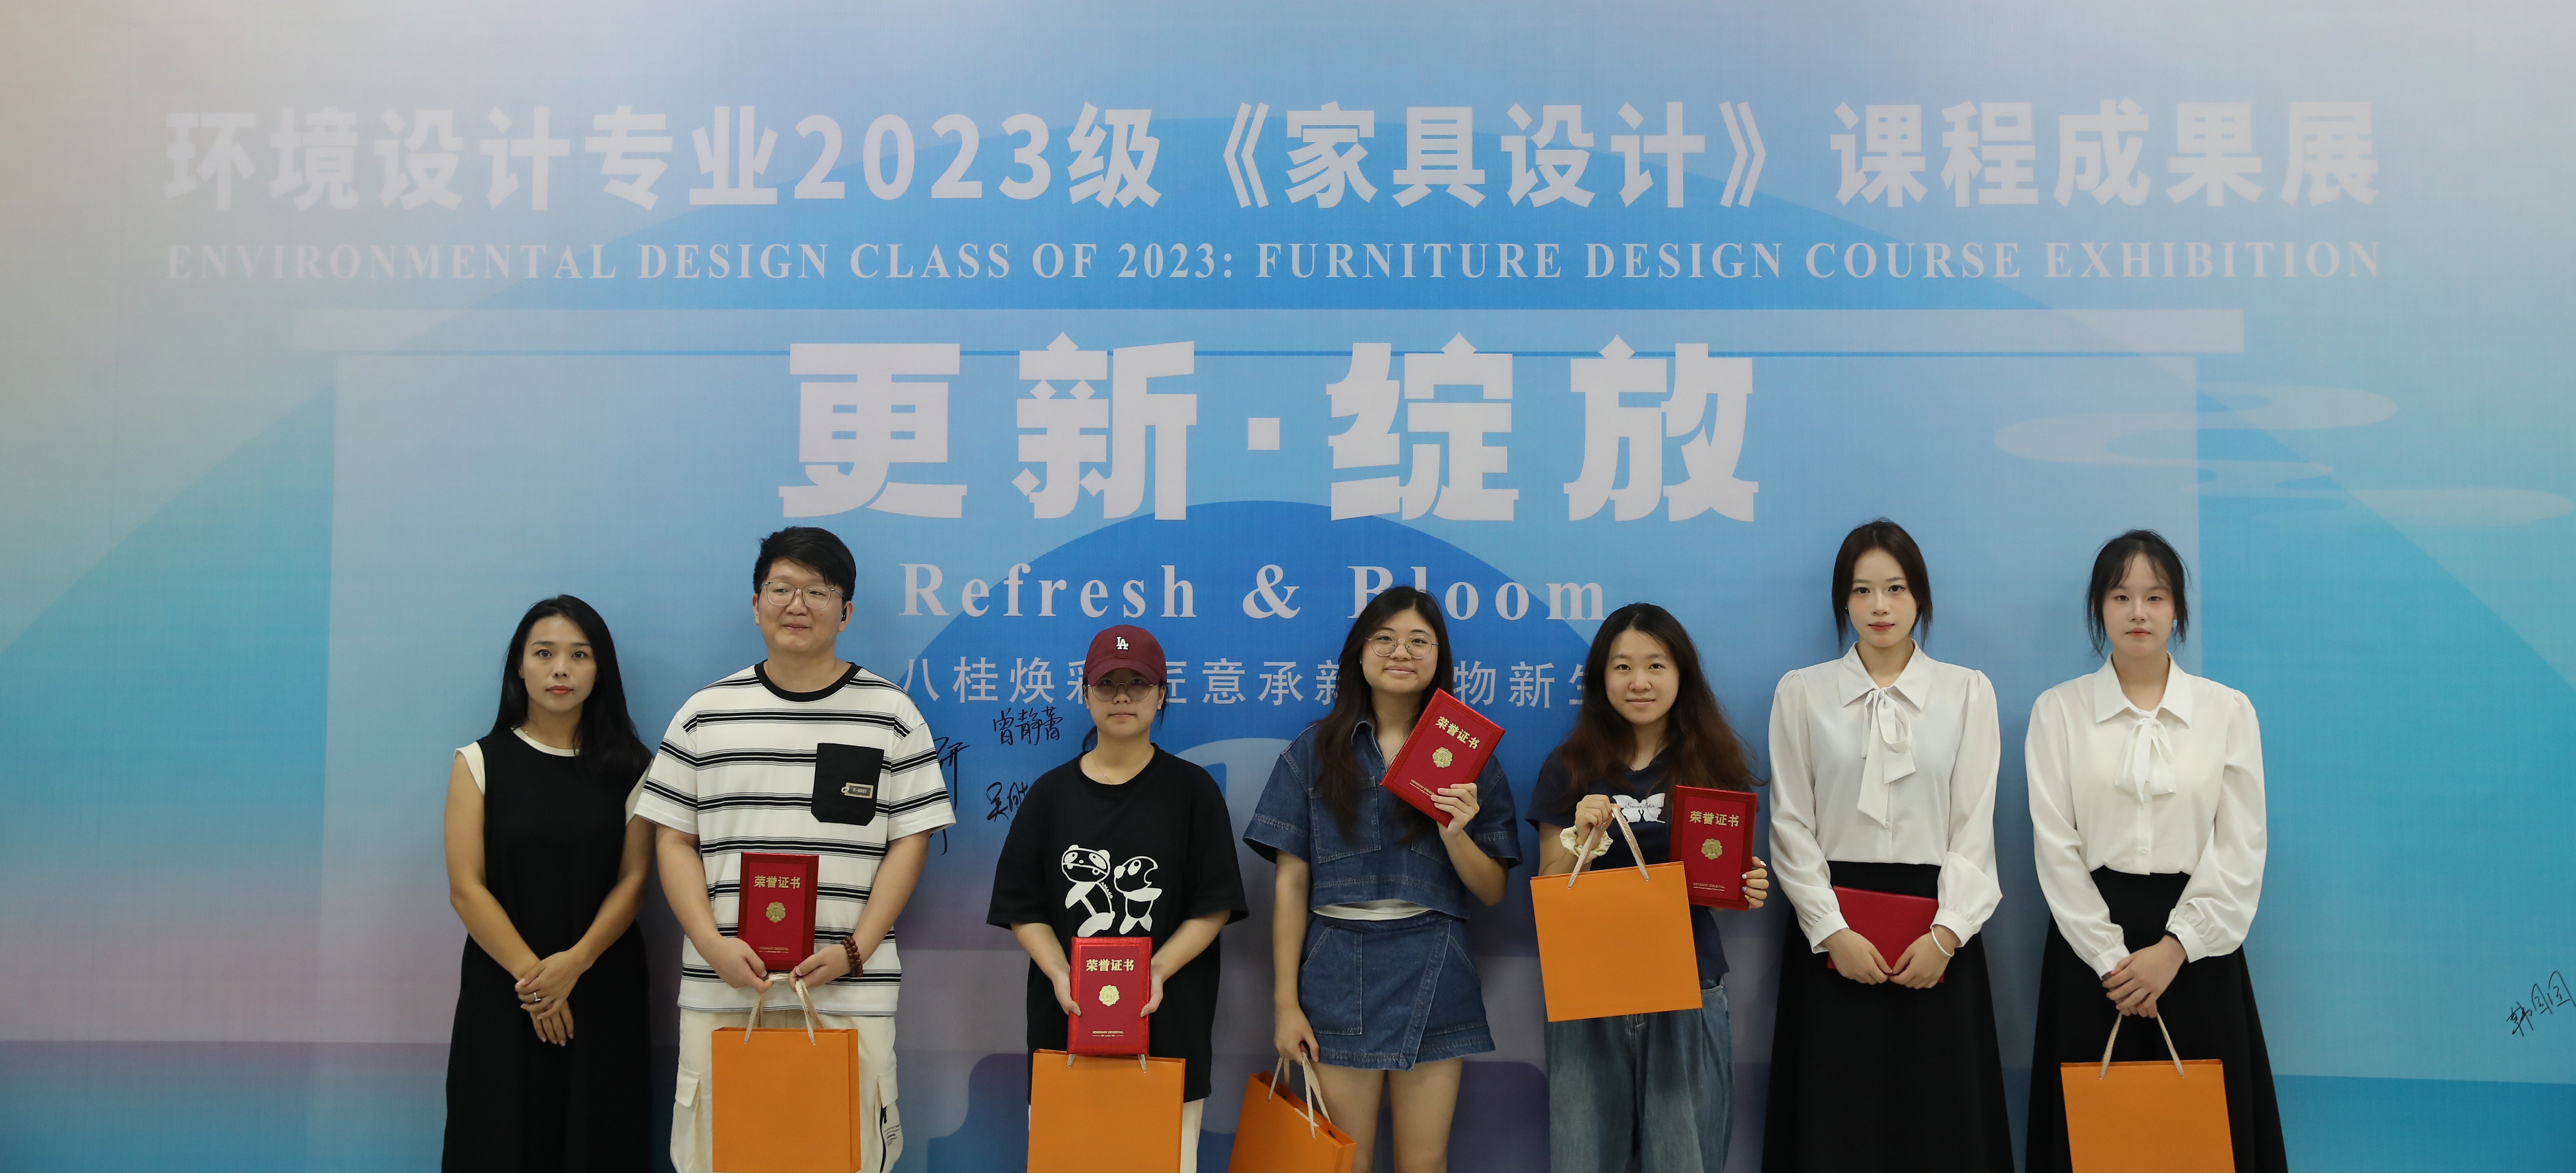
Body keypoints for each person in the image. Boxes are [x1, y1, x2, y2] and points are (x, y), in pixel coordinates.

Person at [633, 527, 958, 1173]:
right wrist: (712, 945)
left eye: (818, 591)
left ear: (847, 611)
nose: (797, 605)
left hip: (850, 992)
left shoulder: (892, 714)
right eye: (781, 589)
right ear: (756, 605)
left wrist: (855, 951)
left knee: (848, 1154)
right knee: (718, 1155)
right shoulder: (704, 714)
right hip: (724, 990)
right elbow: (673, 838)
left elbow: (910, 841)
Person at [2023, 530, 2284, 1173]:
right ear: (2099, 607)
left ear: (2177, 610)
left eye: (2155, 597)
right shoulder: (2058, 712)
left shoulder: (2227, 711)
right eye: (2121, 597)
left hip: (2198, 949)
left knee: (2202, 1142)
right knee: (2094, 1141)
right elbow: (2056, 848)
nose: (2138, 612)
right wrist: (2112, 961)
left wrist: (2175, 949)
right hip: (2091, 955)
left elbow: (2241, 846)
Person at [1762, 520, 2015, 1171]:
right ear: (1843, 601)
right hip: (1834, 934)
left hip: (1937, 933)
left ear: (1920, 596)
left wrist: (1947, 936)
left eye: (1896, 589)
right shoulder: (1802, 693)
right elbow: (1790, 825)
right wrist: (1832, 932)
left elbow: (1974, 826)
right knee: (1835, 1125)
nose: (1880, 606)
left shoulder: (1967, 692)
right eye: (1862, 590)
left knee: (1939, 1124)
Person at [1245, 585, 1521, 1173]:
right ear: (1360, 653)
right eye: (1385, 639)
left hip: (1436, 963)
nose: (1402, 652)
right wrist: (1286, 1005)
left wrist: (1454, 831)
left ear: (1439, 658)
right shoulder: (1314, 751)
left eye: (1420, 641)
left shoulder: (1469, 756)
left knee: (1425, 1163)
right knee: (1345, 1162)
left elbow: (1493, 889)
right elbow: (1291, 885)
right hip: (1335, 970)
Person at [989, 625, 1248, 1173]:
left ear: (1161, 695)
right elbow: (1022, 908)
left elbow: (1213, 906)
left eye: (1138, 684)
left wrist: (1156, 972)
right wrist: (1060, 972)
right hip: (1067, 1029)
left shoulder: (1193, 792)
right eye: (1107, 684)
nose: (1122, 697)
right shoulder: (1050, 796)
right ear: (1085, 694)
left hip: (1169, 1031)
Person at [1530, 602, 1772, 1173]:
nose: (1639, 681)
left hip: (1686, 984)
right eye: (1623, 667)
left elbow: (1718, 884)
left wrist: (1745, 886)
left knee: (1685, 1160)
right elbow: (1549, 887)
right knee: (1583, 1160)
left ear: (1682, 674)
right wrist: (1580, 838)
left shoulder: (1714, 766)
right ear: (1601, 679)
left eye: (1656, 665)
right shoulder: (1568, 768)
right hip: (1590, 991)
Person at [441, 595, 655, 1171]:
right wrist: (536, 984)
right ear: (520, 665)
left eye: (580, 655)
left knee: (598, 1141)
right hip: (504, 988)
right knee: (499, 1139)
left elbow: (635, 880)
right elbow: (467, 888)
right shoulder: (478, 762)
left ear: (600, 670)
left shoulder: (633, 768)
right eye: (544, 653)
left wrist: (575, 965)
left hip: (602, 983)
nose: (561, 669)